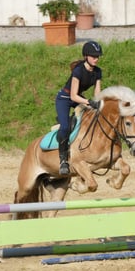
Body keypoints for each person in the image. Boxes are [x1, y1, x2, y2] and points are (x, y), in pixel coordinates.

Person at [55, 41, 103, 175]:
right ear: (86, 56)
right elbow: (73, 96)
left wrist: (98, 103)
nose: (96, 58)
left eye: (98, 56)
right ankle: (63, 160)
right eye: (93, 56)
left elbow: (97, 93)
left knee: (95, 117)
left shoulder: (98, 72)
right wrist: (88, 102)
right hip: (65, 99)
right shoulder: (78, 70)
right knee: (64, 127)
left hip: (79, 98)